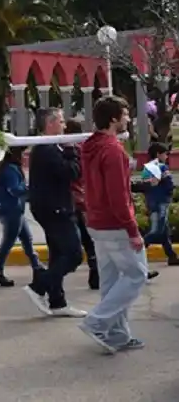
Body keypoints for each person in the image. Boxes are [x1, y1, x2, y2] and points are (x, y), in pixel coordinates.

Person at [79, 96, 148, 353]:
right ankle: (96, 322)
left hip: (96, 222)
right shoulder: (112, 149)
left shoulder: (91, 146)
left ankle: (117, 335)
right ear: (113, 119)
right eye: (125, 114)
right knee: (136, 275)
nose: (128, 118)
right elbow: (118, 196)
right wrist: (132, 229)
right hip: (114, 225)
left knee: (111, 281)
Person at [25, 108, 85, 318]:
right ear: (50, 124)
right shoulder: (47, 149)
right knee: (73, 254)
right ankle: (38, 286)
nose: (64, 125)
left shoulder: (48, 147)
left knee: (58, 254)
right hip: (55, 208)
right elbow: (72, 172)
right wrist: (72, 151)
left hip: (52, 206)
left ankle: (57, 301)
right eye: (60, 121)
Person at [0, 146, 42, 287]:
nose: (26, 157)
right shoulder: (10, 169)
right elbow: (15, 190)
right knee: (8, 242)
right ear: (17, 154)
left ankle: (37, 268)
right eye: (24, 154)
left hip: (12, 210)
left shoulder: (8, 167)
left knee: (26, 239)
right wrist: (32, 188)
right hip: (11, 210)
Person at [65, 119, 99, 290]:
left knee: (82, 239)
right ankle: (95, 273)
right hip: (80, 198)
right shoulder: (81, 149)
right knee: (88, 240)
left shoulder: (69, 150)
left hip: (74, 198)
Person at [137, 142, 179, 267]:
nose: (167, 157)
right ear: (158, 154)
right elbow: (169, 184)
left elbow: (146, 186)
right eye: (165, 154)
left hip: (152, 201)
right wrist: (170, 191)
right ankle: (136, 251)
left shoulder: (147, 168)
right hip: (160, 202)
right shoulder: (160, 167)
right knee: (157, 231)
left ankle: (172, 256)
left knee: (164, 231)